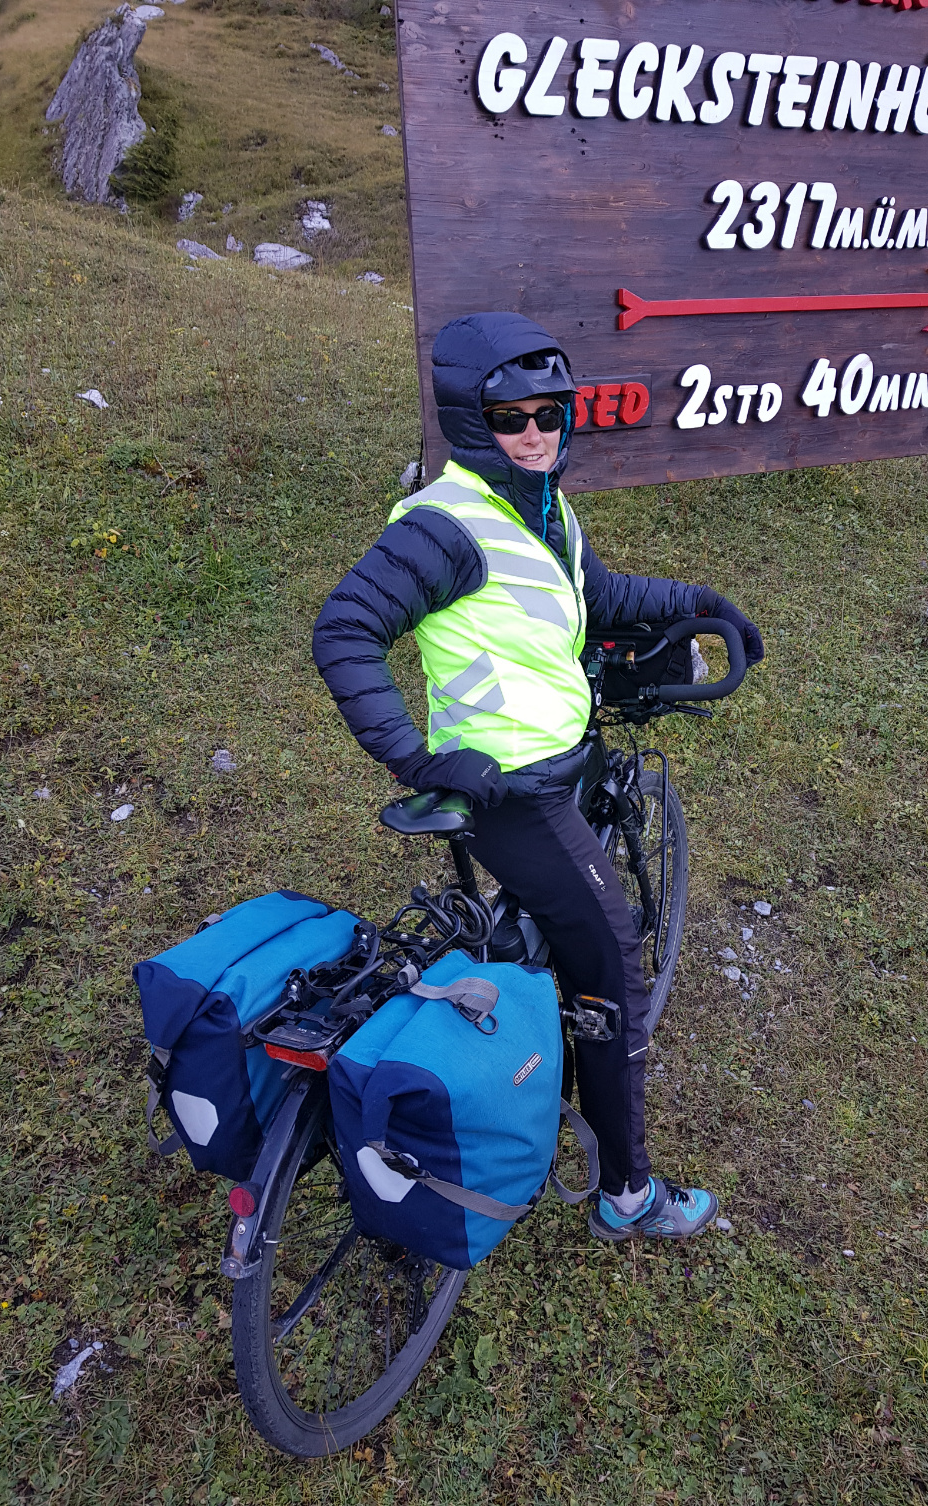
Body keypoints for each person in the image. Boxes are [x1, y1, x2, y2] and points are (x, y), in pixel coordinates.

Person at [313, 312, 763, 1242]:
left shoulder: (543, 508)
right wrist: (419, 758)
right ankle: (627, 1195)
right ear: (474, 422)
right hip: (514, 793)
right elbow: (344, 628)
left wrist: (701, 603)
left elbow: (597, 596)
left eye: (553, 412)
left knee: (556, 936)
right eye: (516, 415)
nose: (539, 431)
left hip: (556, 759)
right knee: (616, 957)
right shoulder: (448, 526)